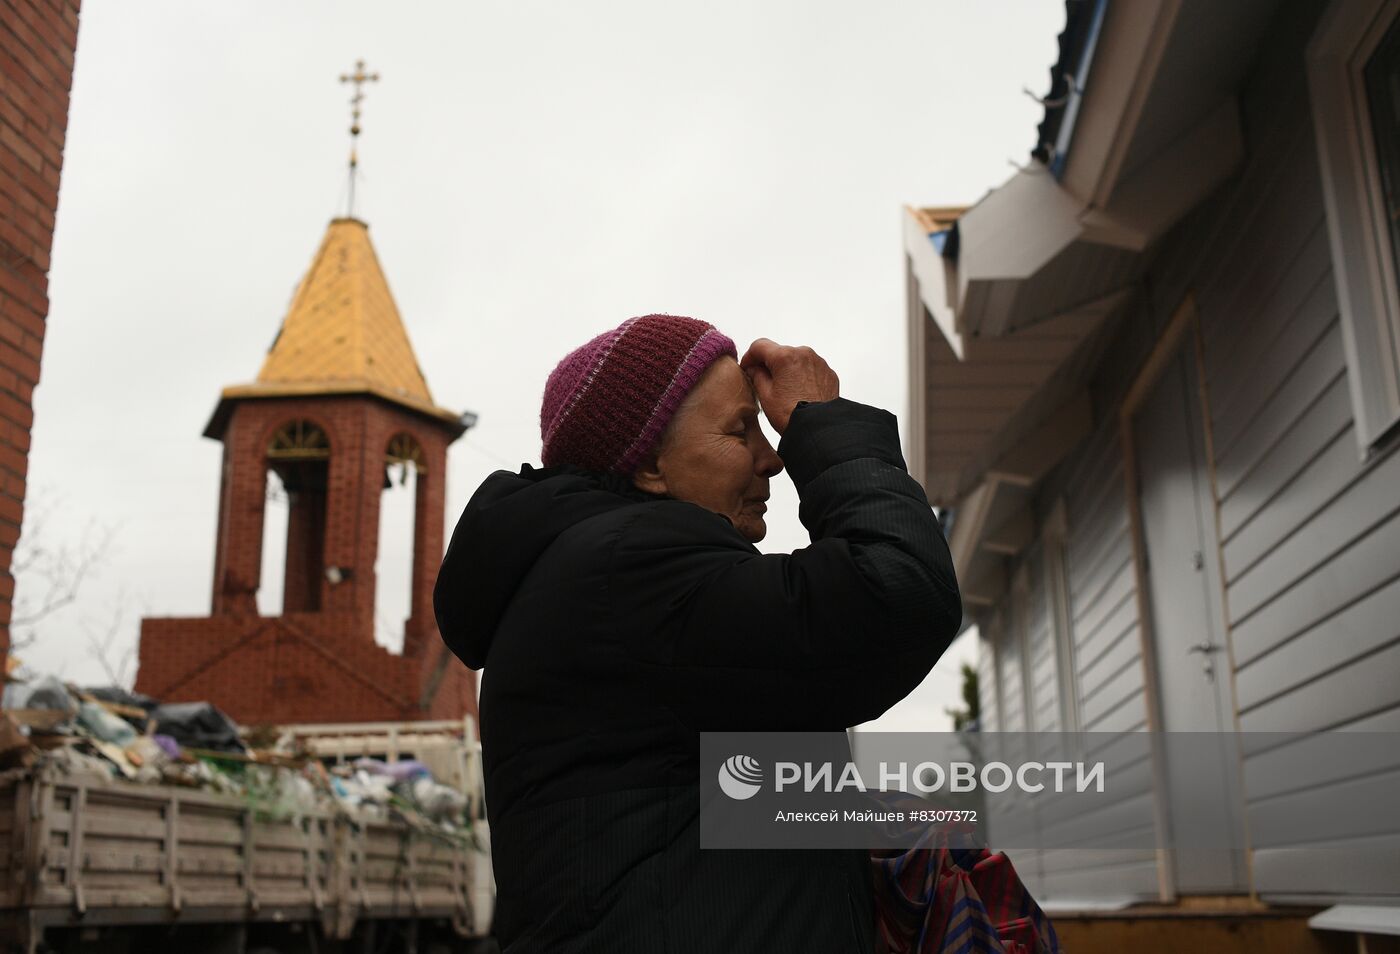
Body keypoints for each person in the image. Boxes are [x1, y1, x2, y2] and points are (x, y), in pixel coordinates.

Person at [435, 313, 962, 953]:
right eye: (741, 432)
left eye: (766, 432)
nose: (771, 459)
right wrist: (824, 424)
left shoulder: (606, 586)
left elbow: (680, 806)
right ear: (651, 465)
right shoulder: (629, 567)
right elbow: (897, 593)